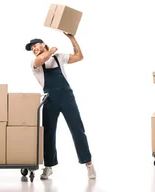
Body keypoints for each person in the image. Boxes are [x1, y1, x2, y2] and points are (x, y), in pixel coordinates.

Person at [25, 31, 96, 180]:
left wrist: (72, 38)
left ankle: (89, 164)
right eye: (31, 48)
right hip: (50, 99)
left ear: (42, 44)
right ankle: (49, 166)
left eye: (35, 45)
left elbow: (79, 57)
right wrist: (51, 50)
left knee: (77, 129)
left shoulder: (59, 57)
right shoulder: (35, 63)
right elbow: (42, 59)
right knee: (48, 133)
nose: (33, 49)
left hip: (66, 97)